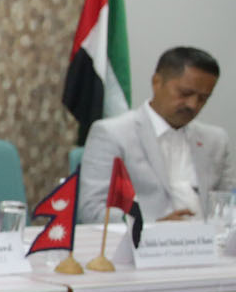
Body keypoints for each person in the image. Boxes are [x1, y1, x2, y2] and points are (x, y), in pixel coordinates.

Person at [80, 46, 234, 221]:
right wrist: (152, 227)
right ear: (157, 82)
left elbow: (229, 203)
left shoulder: (216, 140)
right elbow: (91, 210)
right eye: (185, 93)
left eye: (203, 98)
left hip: (209, 245)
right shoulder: (113, 134)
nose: (193, 104)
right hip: (144, 245)